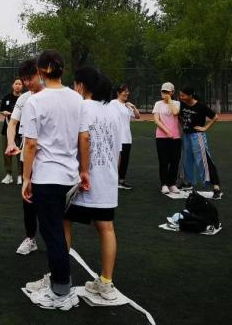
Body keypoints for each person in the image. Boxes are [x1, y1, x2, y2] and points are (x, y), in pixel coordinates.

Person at [21, 50, 90, 311]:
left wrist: (26, 178)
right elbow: (84, 138)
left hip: (47, 177)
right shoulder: (77, 99)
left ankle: (61, 289)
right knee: (58, 231)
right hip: (70, 176)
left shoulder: (35, 102)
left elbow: (30, 144)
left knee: (53, 234)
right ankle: (58, 282)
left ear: (40, 72)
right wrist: (84, 170)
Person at [65, 67, 122, 301]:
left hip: (83, 179)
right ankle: (106, 282)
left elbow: (83, 138)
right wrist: (113, 175)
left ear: (81, 85)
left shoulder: (83, 107)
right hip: (108, 179)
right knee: (106, 228)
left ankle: (60, 275)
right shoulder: (114, 111)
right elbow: (119, 149)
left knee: (63, 221)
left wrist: (83, 170)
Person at [5, 60, 44, 255]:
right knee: (28, 198)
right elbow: (12, 123)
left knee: (49, 201)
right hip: (28, 156)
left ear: (40, 74)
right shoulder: (24, 99)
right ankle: (30, 238)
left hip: (50, 159)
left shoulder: (51, 96)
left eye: (30, 78)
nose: (27, 83)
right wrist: (11, 142)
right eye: (24, 79)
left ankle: (58, 240)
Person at [178, 86, 223, 198]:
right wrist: (183, 126)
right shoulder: (182, 104)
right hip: (186, 136)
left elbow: (215, 117)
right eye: (180, 95)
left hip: (197, 136)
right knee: (187, 159)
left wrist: (205, 128)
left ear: (190, 95)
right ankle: (188, 183)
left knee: (204, 160)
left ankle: (216, 187)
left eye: (183, 95)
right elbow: (179, 116)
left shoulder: (201, 106)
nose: (181, 97)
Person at [110, 84, 140, 190]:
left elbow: (137, 116)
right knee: (116, 159)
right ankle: (113, 180)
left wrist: (133, 107)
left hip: (127, 138)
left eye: (127, 91)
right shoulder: (113, 103)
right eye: (125, 91)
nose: (127, 93)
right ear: (118, 93)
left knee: (125, 160)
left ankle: (122, 181)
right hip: (117, 137)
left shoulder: (127, 106)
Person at [153, 82, 181, 194]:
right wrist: (167, 131)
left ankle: (172, 183)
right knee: (163, 161)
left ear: (172, 92)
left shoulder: (177, 103)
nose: (164, 94)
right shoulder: (158, 104)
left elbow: (175, 112)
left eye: (167, 92)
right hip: (161, 137)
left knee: (175, 161)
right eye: (163, 91)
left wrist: (169, 100)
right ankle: (164, 184)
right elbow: (156, 120)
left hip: (175, 137)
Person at [0, 78, 23, 184]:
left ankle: (20, 175)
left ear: (22, 86)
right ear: (12, 85)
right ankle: (8, 175)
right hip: (7, 129)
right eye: (16, 83)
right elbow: (2, 110)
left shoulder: (24, 98)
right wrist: (5, 113)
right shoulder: (6, 97)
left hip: (20, 131)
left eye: (20, 84)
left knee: (20, 153)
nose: (18, 85)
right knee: (7, 152)